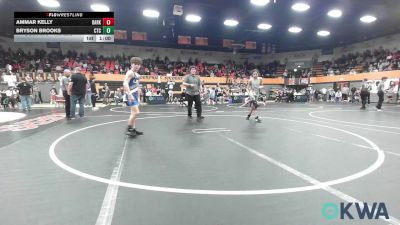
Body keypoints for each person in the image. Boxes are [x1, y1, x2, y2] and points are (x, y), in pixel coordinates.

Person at [123, 57, 144, 137]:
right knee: (136, 112)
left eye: (138, 64)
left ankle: (133, 129)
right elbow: (125, 83)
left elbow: (137, 86)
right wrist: (129, 94)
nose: (137, 66)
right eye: (135, 64)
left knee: (133, 113)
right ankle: (128, 128)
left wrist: (138, 95)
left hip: (135, 95)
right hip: (130, 95)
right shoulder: (130, 73)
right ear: (132, 64)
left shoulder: (138, 75)